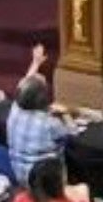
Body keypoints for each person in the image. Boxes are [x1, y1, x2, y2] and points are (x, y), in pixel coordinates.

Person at [7, 45, 76, 183]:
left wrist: (36, 63)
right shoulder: (50, 123)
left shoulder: (15, 109)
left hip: (19, 175)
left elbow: (25, 85)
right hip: (46, 182)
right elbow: (73, 133)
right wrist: (66, 113)